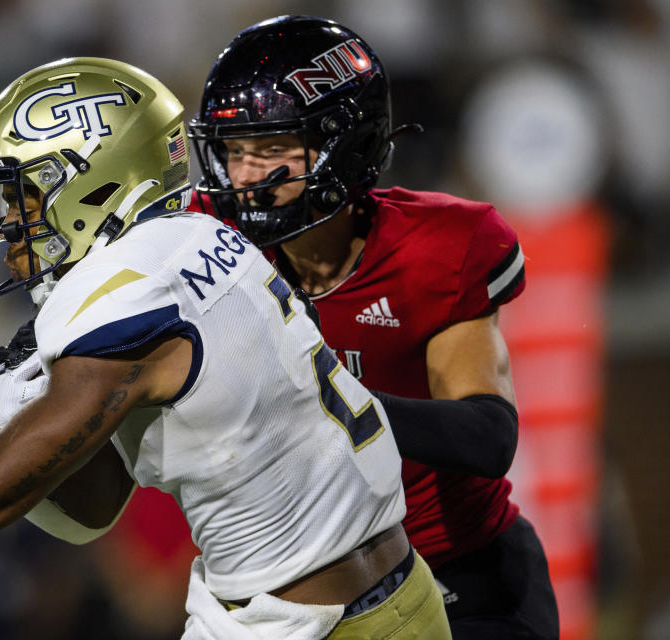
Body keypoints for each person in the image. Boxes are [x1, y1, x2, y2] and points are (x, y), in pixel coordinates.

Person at [0, 56, 451, 639]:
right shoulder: (193, 238)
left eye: (22, 199)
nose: (8, 227)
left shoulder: (126, 292)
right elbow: (95, 507)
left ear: (90, 183)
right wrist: (25, 414)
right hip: (367, 598)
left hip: (322, 623)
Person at [187, 15, 559, 640]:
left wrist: (322, 393)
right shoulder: (206, 236)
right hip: (296, 595)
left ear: (346, 144)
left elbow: (487, 435)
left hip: (460, 578)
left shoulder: (438, 248)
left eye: (272, 148)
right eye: (232, 150)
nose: (243, 176)